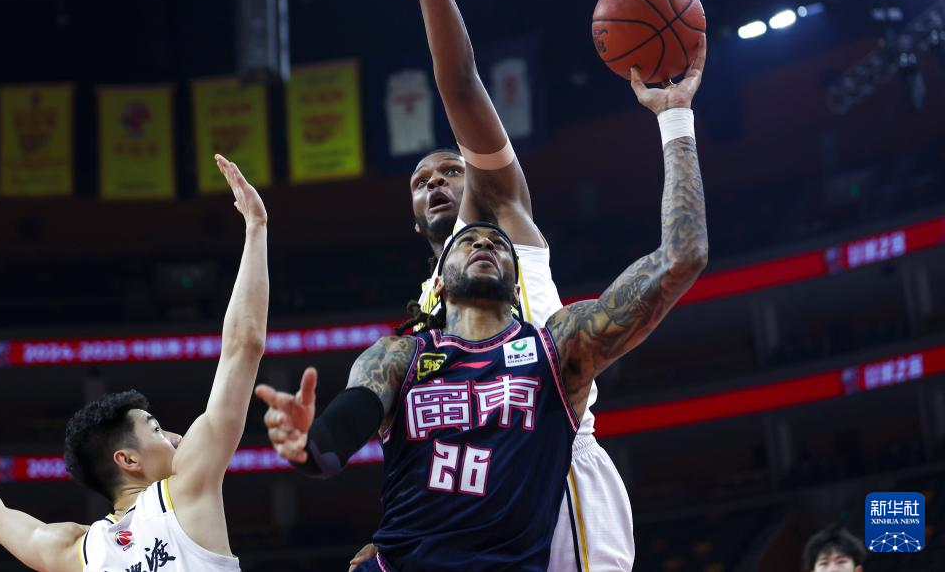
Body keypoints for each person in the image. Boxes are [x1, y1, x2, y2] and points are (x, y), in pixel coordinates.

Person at [344, 0, 705, 568]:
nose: (437, 183)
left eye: (451, 170)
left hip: (558, 463)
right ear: (413, 216)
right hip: (483, 497)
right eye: (421, 181)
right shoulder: (432, 302)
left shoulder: (500, 217)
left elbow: (458, 83)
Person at [258, 48, 708, 569]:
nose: (483, 244)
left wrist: (676, 118)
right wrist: (307, 442)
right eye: (468, 241)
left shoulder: (556, 344)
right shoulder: (403, 352)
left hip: (552, 491)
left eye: (496, 242)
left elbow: (682, 257)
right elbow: (339, 439)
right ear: (439, 282)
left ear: (517, 284)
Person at [0, 155, 268, 572]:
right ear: (128, 460)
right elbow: (243, 345)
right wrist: (256, 228)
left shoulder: (76, 549)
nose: (177, 437)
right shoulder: (188, 486)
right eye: (157, 429)